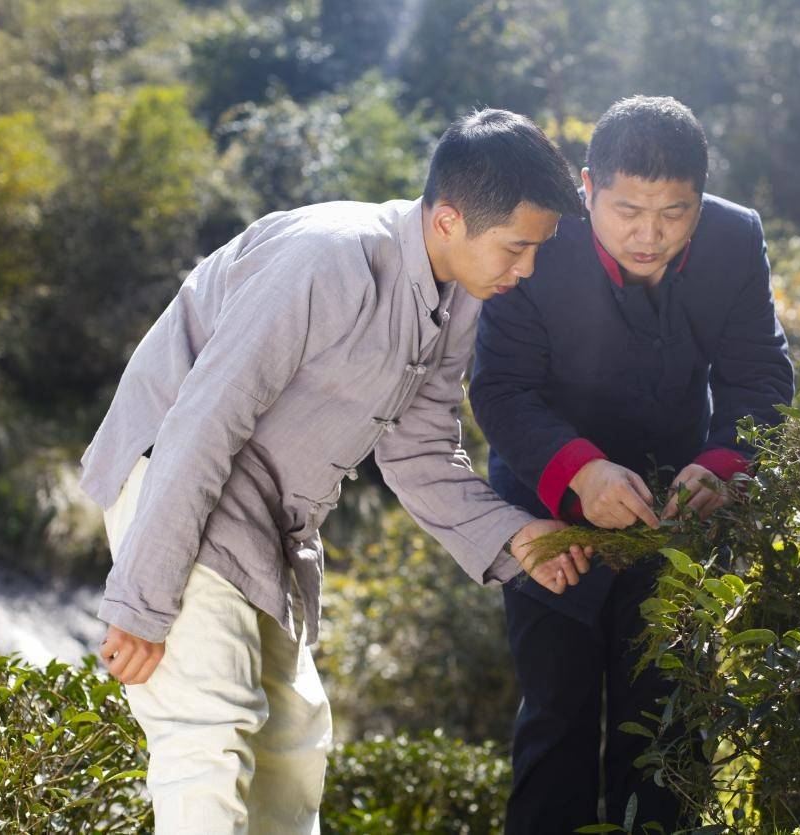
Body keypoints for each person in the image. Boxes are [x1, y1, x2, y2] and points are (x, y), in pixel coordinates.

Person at [79, 108, 592, 834]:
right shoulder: (325, 257)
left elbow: (418, 450)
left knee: (293, 745)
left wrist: (514, 537)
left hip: (269, 522)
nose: (526, 268)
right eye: (515, 247)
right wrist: (140, 601)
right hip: (177, 488)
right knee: (207, 734)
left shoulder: (460, 301)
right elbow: (201, 421)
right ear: (448, 220)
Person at [469, 95, 794, 833]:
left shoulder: (735, 239)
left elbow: (760, 378)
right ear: (586, 188)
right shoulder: (537, 240)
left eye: (674, 213)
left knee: (666, 725)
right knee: (556, 718)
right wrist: (581, 470)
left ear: (700, 198)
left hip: (674, 511)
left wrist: (720, 463)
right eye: (625, 211)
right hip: (548, 511)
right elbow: (500, 387)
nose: (648, 235)